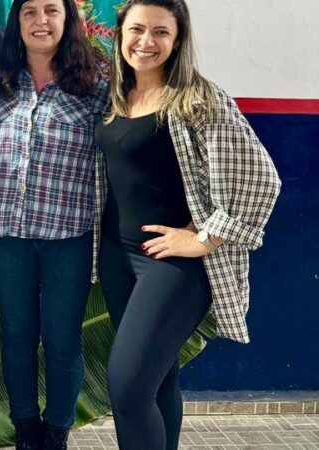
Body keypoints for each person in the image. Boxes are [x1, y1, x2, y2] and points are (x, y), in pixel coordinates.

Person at [93, 0, 281, 448]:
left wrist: (204, 237)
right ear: (120, 34)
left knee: (127, 387)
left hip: (172, 266)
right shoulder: (113, 97)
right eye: (137, 29)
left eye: (161, 32)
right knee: (157, 382)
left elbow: (262, 179)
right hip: (118, 259)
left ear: (178, 41)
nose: (146, 42)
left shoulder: (198, 99)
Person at [0, 0, 107, 447]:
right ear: (16, 21)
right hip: (6, 232)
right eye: (30, 11)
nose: (41, 21)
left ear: (68, 19)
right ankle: (25, 428)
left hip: (68, 234)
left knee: (62, 337)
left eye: (52, 10)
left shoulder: (95, 84)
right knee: (16, 334)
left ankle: (56, 431)